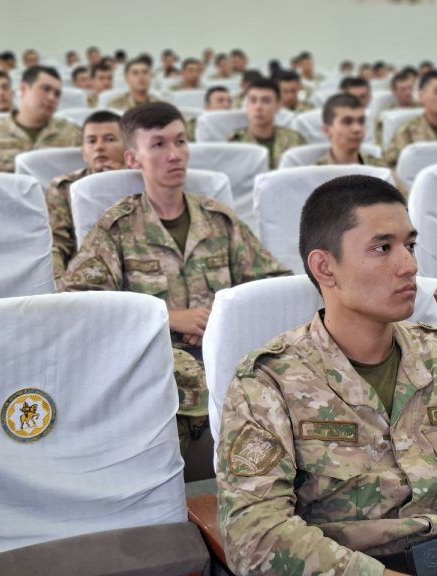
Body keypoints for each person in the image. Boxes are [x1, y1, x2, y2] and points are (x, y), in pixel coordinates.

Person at [217, 174, 437, 576]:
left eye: (409, 245)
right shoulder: (269, 382)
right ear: (325, 267)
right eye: (382, 248)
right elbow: (254, 532)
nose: (409, 265)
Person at [62, 102, 290, 458]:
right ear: (133, 159)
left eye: (181, 142)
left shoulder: (219, 220)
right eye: (158, 145)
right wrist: (167, 317)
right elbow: (77, 302)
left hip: (228, 358)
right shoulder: (118, 227)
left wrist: (224, 317)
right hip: (159, 373)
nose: (175, 155)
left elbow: (274, 285)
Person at [47, 111, 125, 282]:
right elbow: (56, 242)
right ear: (84, 152)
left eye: (110, 139)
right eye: (92, 141)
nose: (99, 146)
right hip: (84, 274)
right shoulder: (64, 187)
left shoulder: (140, 182)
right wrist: (59, 282)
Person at [0, 66, 81, 172]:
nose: (52, 97)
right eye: (45, 89)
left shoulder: (72, 132)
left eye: (57, 94)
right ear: (23, 89)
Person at [227, 77, 306, 169]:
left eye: (266, 101)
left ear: (278, 106)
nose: (258, 107)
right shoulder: (235, 141)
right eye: (253, 101)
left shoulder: (295, 139)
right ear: (246, 106)